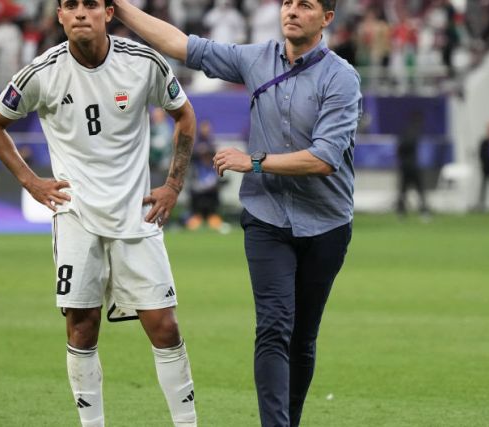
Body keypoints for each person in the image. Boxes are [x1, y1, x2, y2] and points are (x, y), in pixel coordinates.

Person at [112, 0, 362, 425]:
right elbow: (180, 44)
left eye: (305, 5)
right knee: (273, 327)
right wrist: (118, 7)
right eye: (287, 3)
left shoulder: (342, 77)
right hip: (266, 217)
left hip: (326, 222)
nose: (292, 11)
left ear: (327, 18)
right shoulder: (255, 58)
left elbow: (324, 159)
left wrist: (256, 161)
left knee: (302, 338)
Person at [0, 0, 198, 425]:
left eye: (91, 4)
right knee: (81, 326)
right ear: (59, 16)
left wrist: (173, 185)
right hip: (76, 216)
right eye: (70, 5)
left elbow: (185, 116)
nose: (81, 12)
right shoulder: (41, 72)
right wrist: (31, 180)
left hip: (136, 215)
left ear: (108, 13)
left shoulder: (143, 62)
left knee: (164, 327)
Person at [185, 120, 223, 232]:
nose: (206, 130)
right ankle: (195, 219)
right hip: (197, 180)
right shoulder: (194, 143)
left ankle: (213, 219)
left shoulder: (212, 144)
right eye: (204, 128)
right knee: (196, 204)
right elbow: (189, 158)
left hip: (211, 181)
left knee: (212, 203)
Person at [396, 110, 429, 219]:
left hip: (406, 165)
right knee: (418, 189)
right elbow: (405, 146)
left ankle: (401, 211)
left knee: (404, 190)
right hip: (411, 166)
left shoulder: (406, 131)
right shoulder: (413, 132)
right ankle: (423, 211)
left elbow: (399, 148)